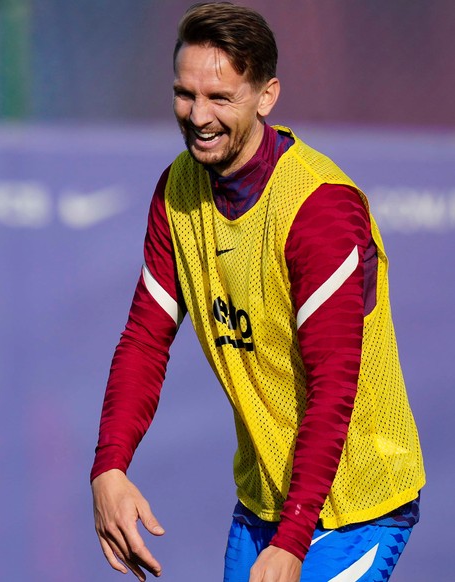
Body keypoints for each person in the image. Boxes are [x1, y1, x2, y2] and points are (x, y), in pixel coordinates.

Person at [90, 3, 424, 581]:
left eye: (220, 98)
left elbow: (334, 382)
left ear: (267, 96)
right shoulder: (178, 188)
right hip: (264, 502)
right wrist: (109, 467)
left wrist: (295, 538)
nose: (197, 116)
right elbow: (146, 338)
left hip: (354, 508)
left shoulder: (321, 207)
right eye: (185, 94)